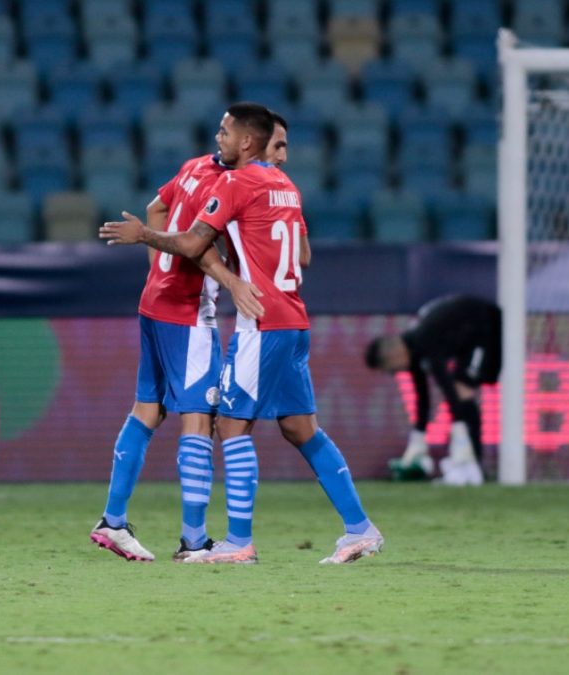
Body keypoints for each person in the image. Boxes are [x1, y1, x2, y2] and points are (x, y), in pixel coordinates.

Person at [100, 102, 383, 565]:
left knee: (230, 424)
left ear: (246, 141)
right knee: (300, 427)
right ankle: (360, 529)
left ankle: (237, 543)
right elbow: (304, 256)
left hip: (262, 322)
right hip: (294, 318)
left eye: (226, 131)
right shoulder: (288, 189)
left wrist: (145, 238)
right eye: (281, 145)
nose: (220, 137)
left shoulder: (234, 182)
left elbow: (192, 243)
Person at [89, 112, 292, 563]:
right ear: (253, 145)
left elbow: (155, 209)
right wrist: (232, 282)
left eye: (223, 130)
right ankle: (194, 541)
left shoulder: (192, 166)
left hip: (153, 302)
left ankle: (113, 520)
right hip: (187, 313)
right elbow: (196, 248)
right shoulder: (230, 184)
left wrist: (156, 269)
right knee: (199, 419)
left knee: (147, 409)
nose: (216, 136)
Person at [365, 294, 502, 486]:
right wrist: (417, 437)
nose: (396, 373)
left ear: (394, 356)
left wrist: (459, 427)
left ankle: (472, 466)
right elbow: (423, 398)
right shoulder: (413, 349)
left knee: (461, 389)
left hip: (489, 325)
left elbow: (446, 386)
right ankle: (470, 464)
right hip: (470, 335)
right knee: (460, 391)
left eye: (392, 369)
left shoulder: (424, 339)